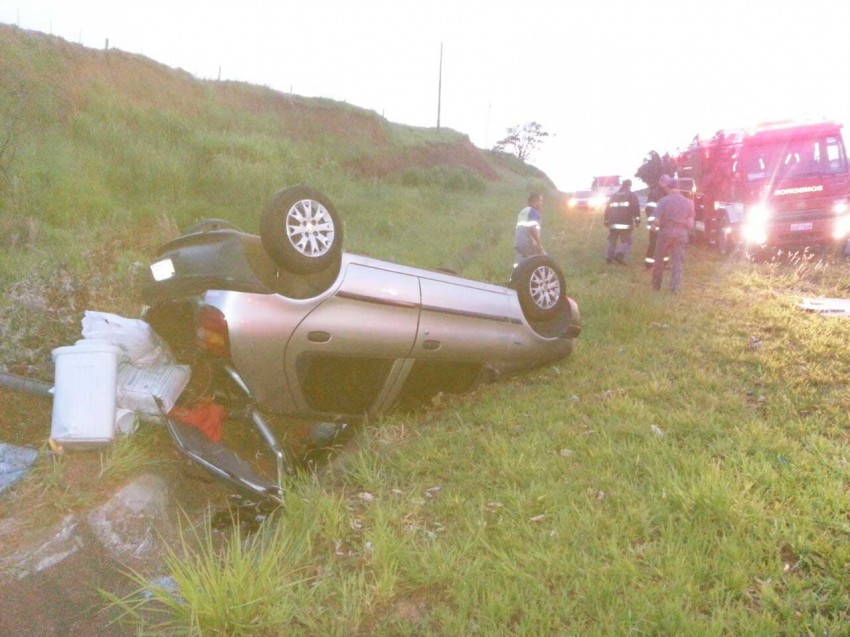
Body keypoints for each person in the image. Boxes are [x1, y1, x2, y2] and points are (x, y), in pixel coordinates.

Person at [651, 174, 695, 293]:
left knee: (659, 260)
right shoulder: (689, 202)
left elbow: (656, 220)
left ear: (668, 188)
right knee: (677, 262)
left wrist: (655, 227)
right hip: (681, 233)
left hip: (665, 232)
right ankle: (674, 289)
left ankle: (656, 286)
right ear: (678, 188)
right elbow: (690, 224)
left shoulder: (663, 201)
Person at [603, 179, 641, 264]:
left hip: (613, 222)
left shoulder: (614, 195)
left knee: (612, 240)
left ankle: (609, 258)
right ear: (630, 186)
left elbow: (607, 208)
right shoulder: (631, 195)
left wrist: (606, 220)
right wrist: (637, 220)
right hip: (625, 223)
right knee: (627, 241)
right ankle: (619, 254)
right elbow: (635, 208)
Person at [513, 193, 546, 267]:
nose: (541, 203)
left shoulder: (523, 212)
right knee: (532, 266)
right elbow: (531, 228)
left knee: (519, 266)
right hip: (527, 243)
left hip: (519, 243)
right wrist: (539, 245)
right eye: (540, 200)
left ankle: (516, 278)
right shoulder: (533, 211)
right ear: (535, 201)